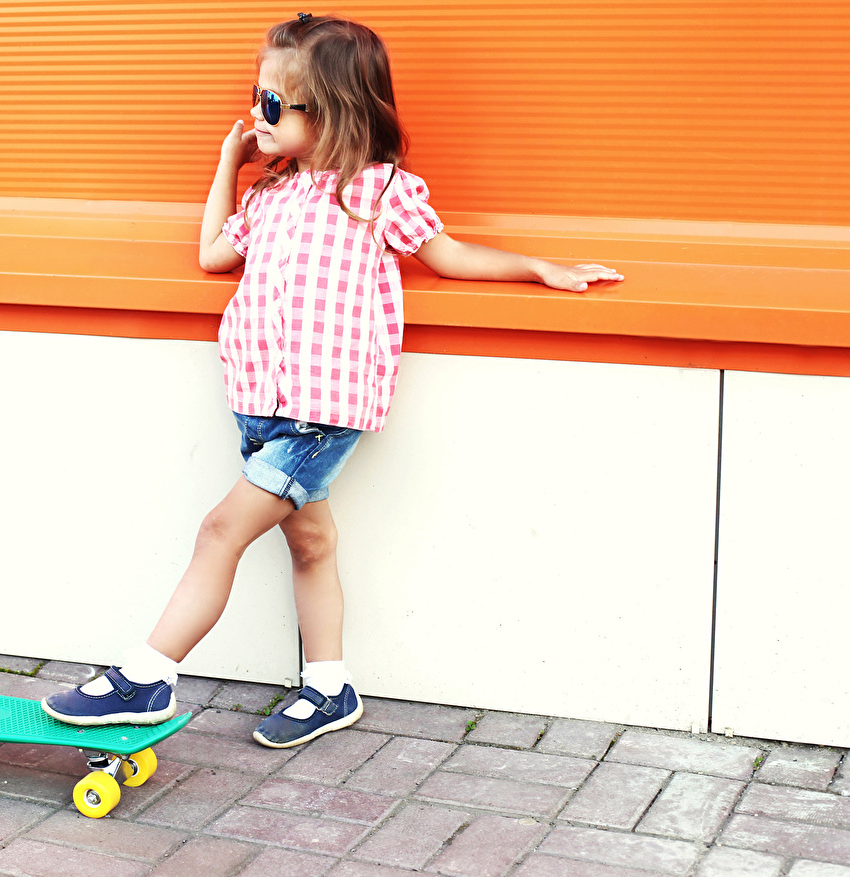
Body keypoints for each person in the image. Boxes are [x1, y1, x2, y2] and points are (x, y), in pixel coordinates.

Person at [42, 13, 623, 748]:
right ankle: (329, 687)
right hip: (261, 403)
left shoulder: (379, 192)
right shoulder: (271, 198)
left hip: (321, 411)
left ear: (334, 111)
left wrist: (537, 266)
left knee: (222, 528)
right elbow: (214, 254)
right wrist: (231, 163)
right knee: (310, 543)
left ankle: (147, 675)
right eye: (259, 98)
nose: (260, 115)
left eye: (276, 105)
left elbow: (448, 256)